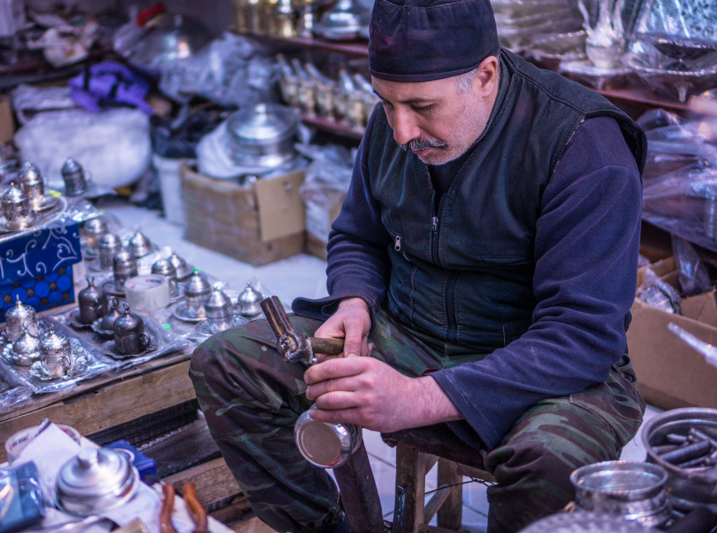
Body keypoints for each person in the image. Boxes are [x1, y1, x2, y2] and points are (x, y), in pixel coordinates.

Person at [190, 0, 648, 531]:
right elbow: (357, 235)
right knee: (227, 363)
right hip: (412, 330)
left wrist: (419, 398)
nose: (401, 130)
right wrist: (354, 300)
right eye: (385, 102)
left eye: (421, 106)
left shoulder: (583, 145)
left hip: (541, 363)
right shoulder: (397, 118)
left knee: (549, 463)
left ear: (485, 76)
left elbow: (581, 336)